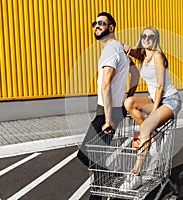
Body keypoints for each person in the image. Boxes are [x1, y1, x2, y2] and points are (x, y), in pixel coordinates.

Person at [76, 12, 139, 200]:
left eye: (101, 23)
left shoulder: (111, 49)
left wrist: (109, 119)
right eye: (95, 23)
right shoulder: (120, 48)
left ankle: (109, 178)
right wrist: (128, 97)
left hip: (106, 112)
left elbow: (106, 84)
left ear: (111, 28)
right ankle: (103, 185)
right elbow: (135, 75)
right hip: (115, 109)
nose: (96, 26)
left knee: (87, 155)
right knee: (97, 157)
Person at [120, 27, 181, 190]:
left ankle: (136, 174)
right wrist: (126, 47)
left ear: (156, 40)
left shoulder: (158, 56)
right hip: (155, 99)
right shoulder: (143, 56)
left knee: (145, 127)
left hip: (169, 100)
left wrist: (154, 110)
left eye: (151, 37)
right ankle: (152, 135)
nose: (147, 39)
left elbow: (160, 85)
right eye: (144, 36)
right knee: (129, 103)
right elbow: (133, 51)